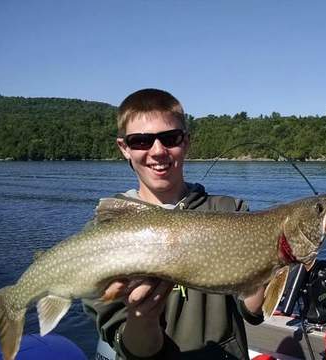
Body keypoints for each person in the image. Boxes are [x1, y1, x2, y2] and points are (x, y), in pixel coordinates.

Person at [83, 88, 265, 360]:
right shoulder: (101, 235)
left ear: (186, 142)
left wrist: (274, 261)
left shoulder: (231, 212)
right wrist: (141, 319)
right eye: (141, 141)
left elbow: (251, 309)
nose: (158, 151)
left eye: (170, 138)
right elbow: (129, 344)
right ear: (124, 148)